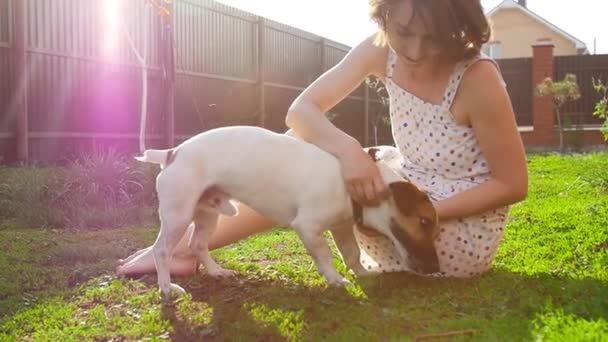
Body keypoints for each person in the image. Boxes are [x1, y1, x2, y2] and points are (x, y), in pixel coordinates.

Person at [116, 0, 528, 278]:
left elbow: (512, 185)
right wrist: (349, 152)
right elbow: (300, 111)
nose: (416, 50)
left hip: (445, 233)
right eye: (404, 33)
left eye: (432, 36)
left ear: (458, 27)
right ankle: (186, 247)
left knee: (306, 162)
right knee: (302, 141)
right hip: (405, 193)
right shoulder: (379, 50)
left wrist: (426, 214)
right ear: (383, 15)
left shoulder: (477, 77)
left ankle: (182, 249)